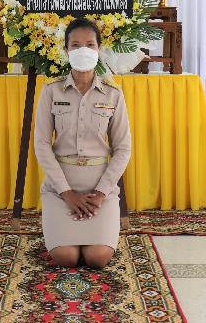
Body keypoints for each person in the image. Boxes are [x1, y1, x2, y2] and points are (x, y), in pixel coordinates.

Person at [34, 18, 132, 269]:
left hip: (100, 189)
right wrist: (66, 193)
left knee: (97, 257)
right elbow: (42, 144)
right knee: (66, 257)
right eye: (76, 45)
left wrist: (101, 193)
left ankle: (96, 223)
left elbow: (123, 148)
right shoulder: (51, 91)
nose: (83, 51)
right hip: (60, 188)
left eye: (90, 45)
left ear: (99, 49)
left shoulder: (113, 94)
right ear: (66, 50)